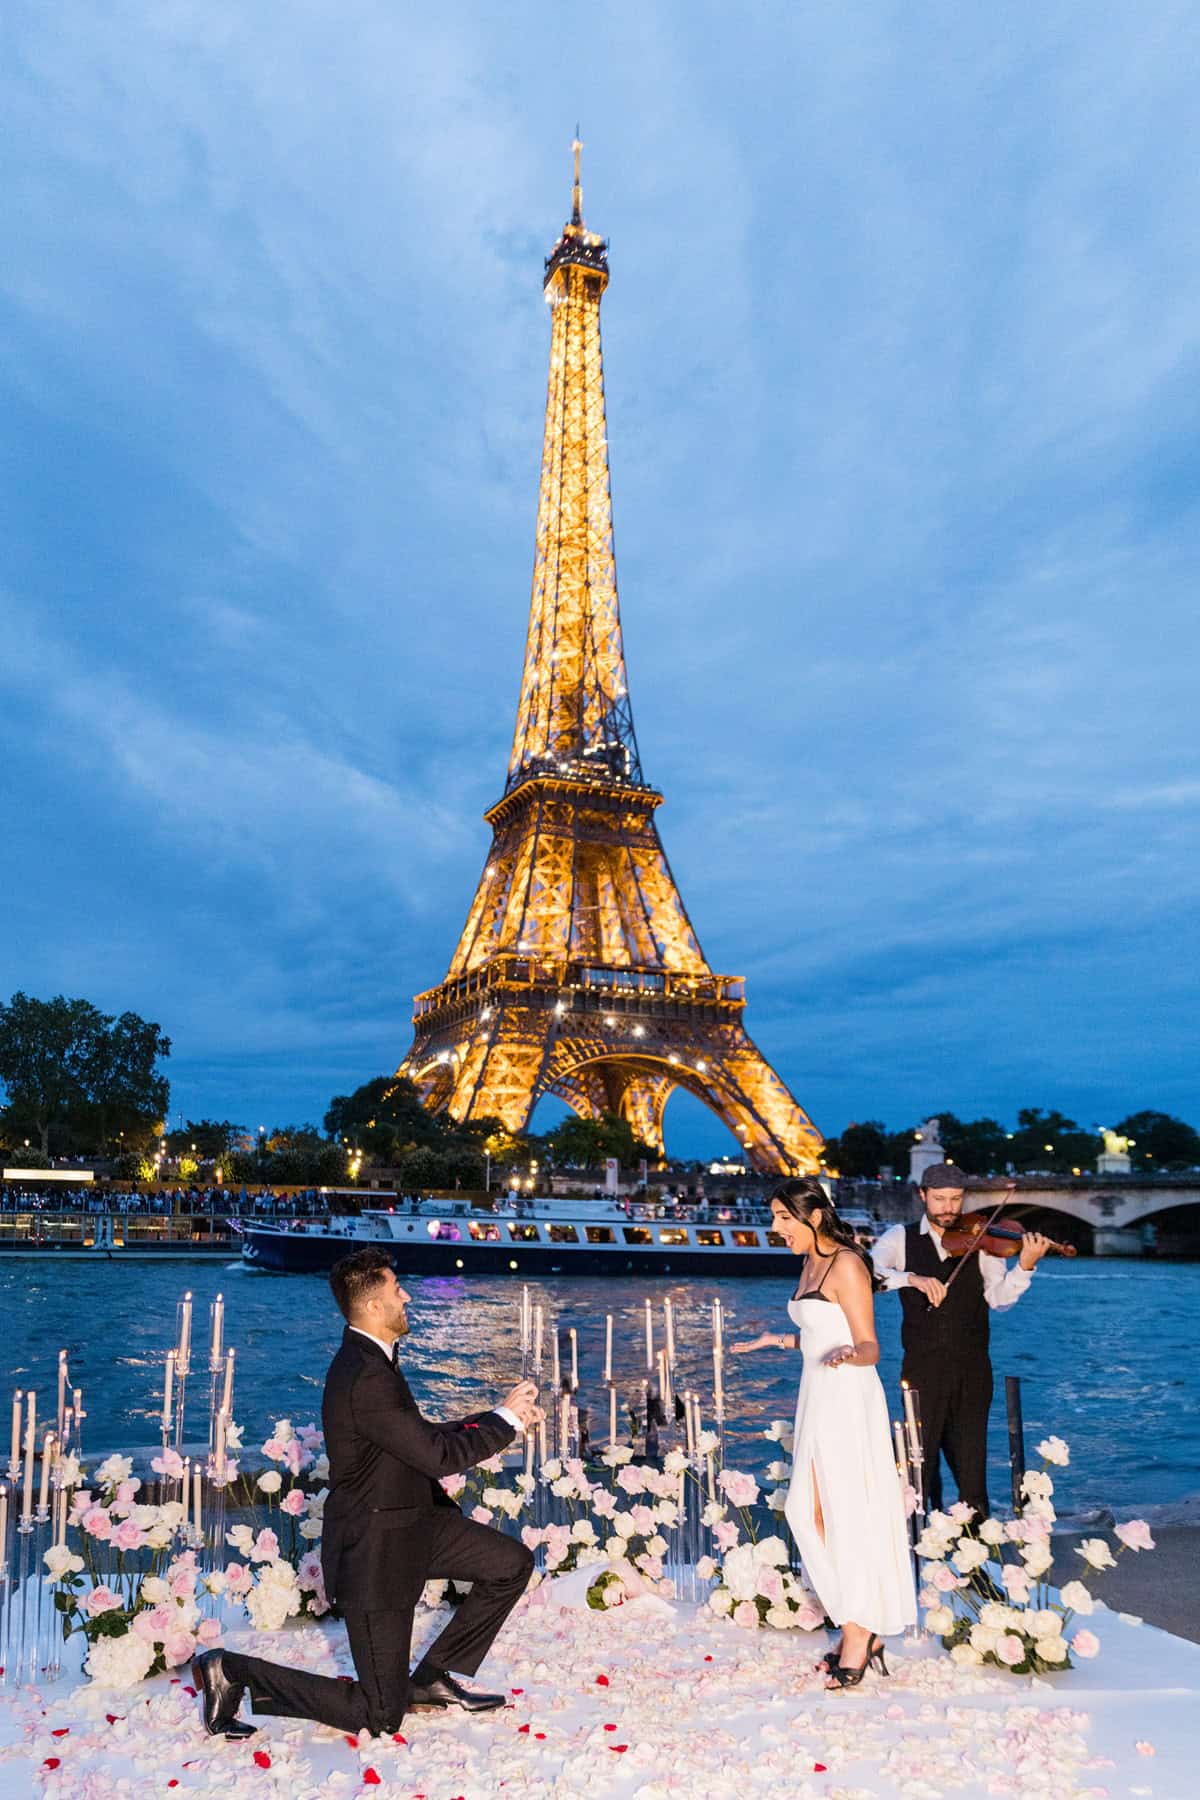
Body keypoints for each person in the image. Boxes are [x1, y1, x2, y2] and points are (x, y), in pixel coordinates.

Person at [192, 1247, 542, 1740]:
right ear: (374, 1306)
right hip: (376, 1550)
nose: (407, 1296)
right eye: (397, 1289)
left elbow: (420, 1437)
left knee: (510, 1564)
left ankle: (433, 1679)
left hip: (413, 1522)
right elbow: (440, 1458)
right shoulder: (366, 1376)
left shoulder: (373, 1361)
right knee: (381, 1715)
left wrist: (497, 1414)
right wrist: (506, 1424)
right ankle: (233, 1672)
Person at [731, 1178, 915, 1687]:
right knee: (806, 1511)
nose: (775, 1228)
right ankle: (858, 1619)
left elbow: (868, 1345)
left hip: (847, 1397)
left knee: (840, 1511)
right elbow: (821, 1334)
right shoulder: (809, 1261)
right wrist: (780, 1339)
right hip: (816, 1394)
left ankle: (859, 1631)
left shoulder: (848, 1264)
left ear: (812, 1217)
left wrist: (850, 1354)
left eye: (782, 1219)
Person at [871, 1162, 1052, 1518]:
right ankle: (922, 1548)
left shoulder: (982, 1238)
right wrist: (912, 1279)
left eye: (955, 1199)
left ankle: (977, 1560)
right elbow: (869, 1272)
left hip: (972, 1371)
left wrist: (1025, 1267)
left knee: (972, 1470)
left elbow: (998, 1299)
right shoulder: (899, 1237)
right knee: (920, 1470)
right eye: (939, 1199)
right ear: (922, 1196)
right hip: (921, 1371)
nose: (948, 1208)